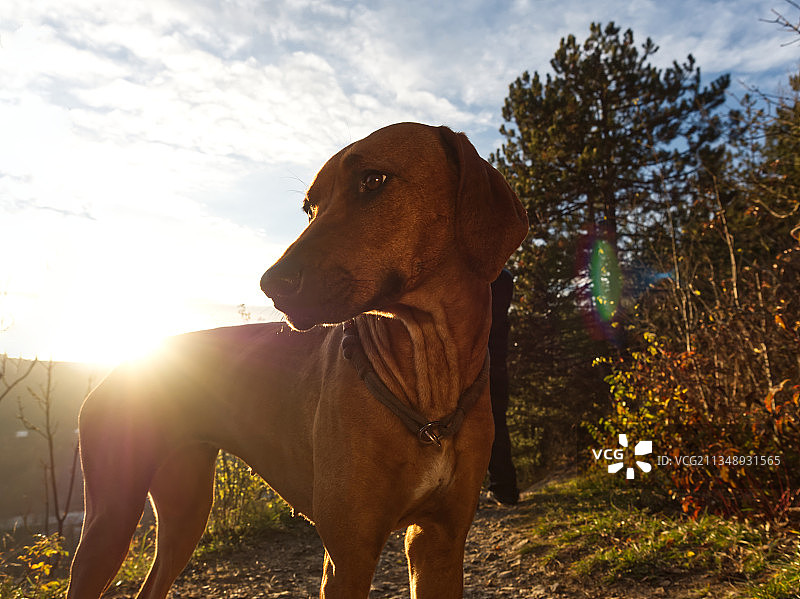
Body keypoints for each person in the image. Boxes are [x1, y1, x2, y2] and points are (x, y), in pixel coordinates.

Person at [487, 268, 520, 505]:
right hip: (496, 366)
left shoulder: (479, 278)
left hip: (480, 365)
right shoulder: (504, 279)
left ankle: (502, 490)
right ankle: (504, 490)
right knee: (496, 424)